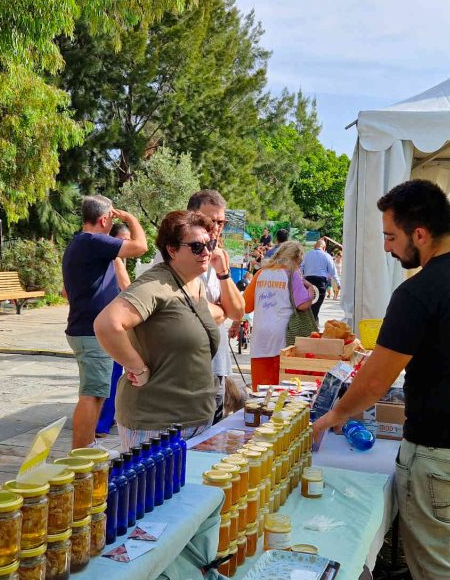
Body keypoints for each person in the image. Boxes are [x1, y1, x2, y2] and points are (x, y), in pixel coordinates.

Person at [313, 179, 450, 580]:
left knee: (442, 571)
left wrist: (334, 415)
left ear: (419, 234)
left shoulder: (416, 292)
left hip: (443, 452)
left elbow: (374, 382)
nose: (388, 247)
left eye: (391, 236)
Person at [94, 211, 220, 450]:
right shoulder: (155, 285)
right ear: (172, 250)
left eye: (209, 244)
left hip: (196, 418)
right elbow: (107, 324)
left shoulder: (194, 282)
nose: (206, 252)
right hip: (157, 426)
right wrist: (137, 367)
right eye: (196, 247)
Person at [62, 196, 147, 449]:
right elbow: (141, 246)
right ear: (104, 219)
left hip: (86, 329)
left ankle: (86, 449)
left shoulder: (82, 243)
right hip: (90, 332)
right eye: (112, 218)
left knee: (95, 393)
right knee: (93, 394)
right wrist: (131, 219)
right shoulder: (93, 241)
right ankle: (81, 455)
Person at [185, 190, 245, 423]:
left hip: (218, 366)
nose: (217, 227)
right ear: (191, 217)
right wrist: (221, 309)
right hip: (189, 371)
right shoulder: (177, 253)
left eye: (221, 221)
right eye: (210, 220)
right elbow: (192, 310)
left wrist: (223, 272)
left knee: (214, 442)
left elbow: (238, 311)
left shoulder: (220, 255)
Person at [243, 241, 313, 389]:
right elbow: (303, 304)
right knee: (281, 389)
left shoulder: (261, 273)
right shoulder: (291, 273)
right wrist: (311, 290)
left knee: (260, 390)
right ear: (296, 259)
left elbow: (246, 306)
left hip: (260, 338)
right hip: (283, 337)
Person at [95, 222, 133, 438]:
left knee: (110, 373)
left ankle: (104, 419)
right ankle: (103, 422)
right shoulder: (115, 259)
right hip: (111, 323)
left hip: (103, 322)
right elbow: (128, 288)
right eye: (123, 239)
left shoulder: (105, 259)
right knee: (113, 373)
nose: (128, 243)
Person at [301, 238, 340, 320]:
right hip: (320, 283)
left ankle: (312, 323)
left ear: (315, 246)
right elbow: (333, 271)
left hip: (308, 282)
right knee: (316, 307)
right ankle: (314, 323)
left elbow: (300, 268)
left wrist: (300, 280)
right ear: (324, 247)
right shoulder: (327, 256)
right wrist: (339, 283)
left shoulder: (307, 254)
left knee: (309, 306)